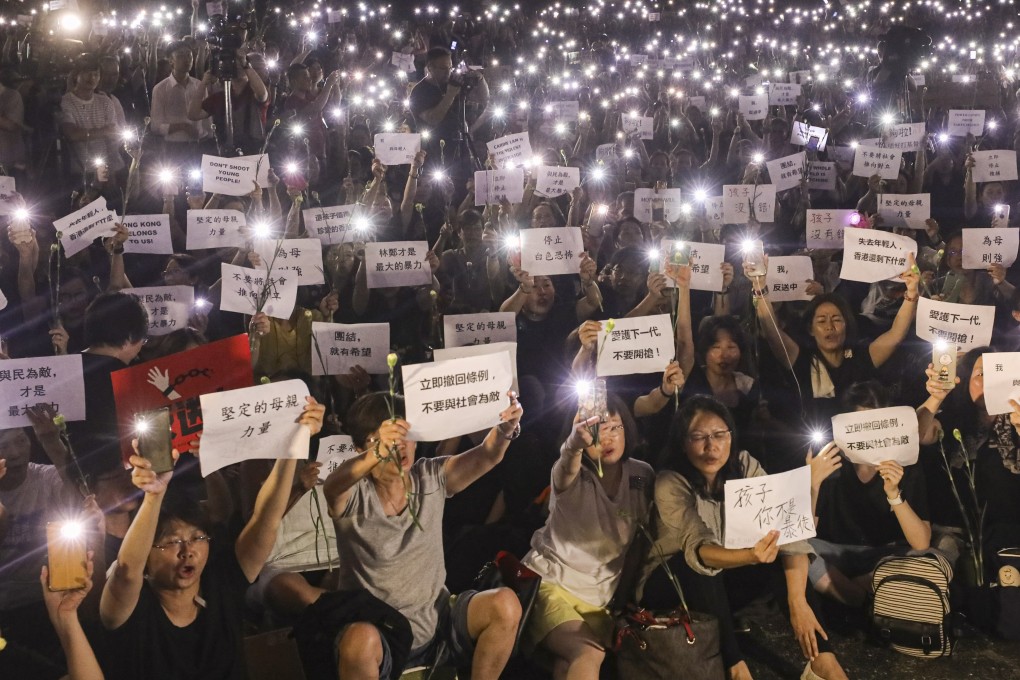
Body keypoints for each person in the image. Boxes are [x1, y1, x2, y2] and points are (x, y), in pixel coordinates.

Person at [97, 397, 325, 679]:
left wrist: (293, 445)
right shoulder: (130, 609)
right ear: (147, 555)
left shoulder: (222, 583)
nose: (187, 550)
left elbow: (265, 519)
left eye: (197, 537)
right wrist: (153, 497)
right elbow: (126, 571)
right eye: (171, 541)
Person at [637, 396, 848, 680]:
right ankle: (735, 667)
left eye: (719, 435)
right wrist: (750, 556)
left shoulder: (744, 464)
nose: (711, 447)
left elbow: (788, 531)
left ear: (731, 435)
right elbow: (698, 548)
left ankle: (823, 661)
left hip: (726, 581)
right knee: (702, 567)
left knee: (780, 551)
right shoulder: (671, 481)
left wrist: (799, 602)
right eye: (698, 437)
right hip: (671, 584)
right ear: (682, 442)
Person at [323, 390, 523, 678]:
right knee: (358, 642)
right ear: (359, 449)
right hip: (379, 634)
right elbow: (334, 485)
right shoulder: (355, 493)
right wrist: (377, 453)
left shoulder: (429, 476)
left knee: (505, 604)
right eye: (382, 438)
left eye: (404, 432)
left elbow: (487, 456)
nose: (399, 446)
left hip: (437, 623)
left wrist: (506, 428)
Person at [520, 394, 653, 679]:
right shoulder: (571, 476)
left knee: (568, 663)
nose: (607, 438)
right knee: (588, 651)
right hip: (550, 585)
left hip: (598, 600)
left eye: (615, 427)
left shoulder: (642, 476)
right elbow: (567, 463)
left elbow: (637, 544)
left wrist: (624, 597)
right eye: (596, 430)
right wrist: (573, 444)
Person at [749, 256, 920, 429]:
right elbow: (772, 332)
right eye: (822, 321)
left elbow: (896, 334)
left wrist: (911, 292)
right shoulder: (801, 359)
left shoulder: (860, 358)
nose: (830, 327)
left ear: (846, 324)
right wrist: (759, 285)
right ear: (811, 329)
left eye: (836, 320)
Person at [809, 381, 932, 608]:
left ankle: (849, 595)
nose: (869, 434)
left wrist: (894, 494)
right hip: (838, 553)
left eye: (876, 424)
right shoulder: (831, 460)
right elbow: (803, 532)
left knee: (927, 558)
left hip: (887, 555)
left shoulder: (905, 462)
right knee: (799, 551)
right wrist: (813, 483)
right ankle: (864, 601)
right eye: (859, 425)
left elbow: (921, 542)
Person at [149, 42, 214, 166]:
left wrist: (207, 137)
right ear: (171, 61)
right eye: (180, 55)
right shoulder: (161, 88)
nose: (187, 59)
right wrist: (182, 126)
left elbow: (207, 120)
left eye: (189, 55)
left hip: (198, 146)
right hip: (173, 148)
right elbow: (156, 126)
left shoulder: (199, 86)